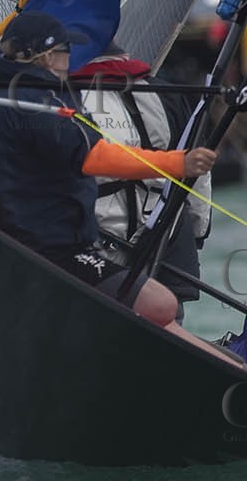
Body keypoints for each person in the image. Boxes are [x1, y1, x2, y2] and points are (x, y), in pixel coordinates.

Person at [0, 12, 215, 332]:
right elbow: (97, 157)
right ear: (48, 56)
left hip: (13, 246)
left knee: (150, 313)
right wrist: (181, 171)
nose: (69, 59)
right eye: (65, 51)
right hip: (75, 250)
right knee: (162, 309)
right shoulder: (46, 103)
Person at [73, 46, 210, 321]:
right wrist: (197, 231)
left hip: (97, 248)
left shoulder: (67, 98)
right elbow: (199, 172)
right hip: (165, 243)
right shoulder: (165, 92)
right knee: (169, 328)